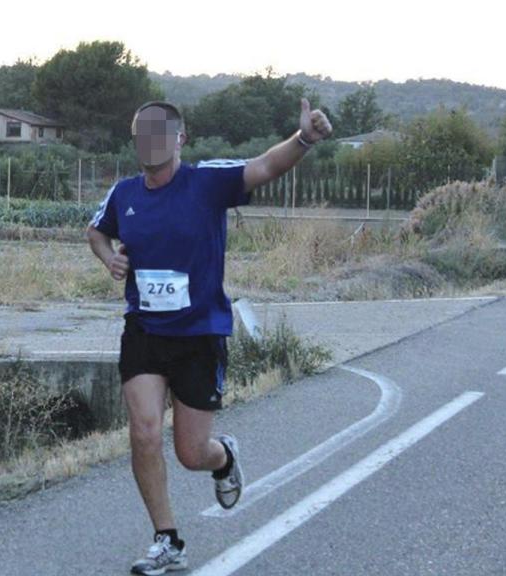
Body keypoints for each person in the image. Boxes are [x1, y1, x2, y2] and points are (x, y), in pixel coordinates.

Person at [87, 99, 333, 574]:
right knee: (143, 432)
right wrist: (108, 258)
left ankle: (223, 459)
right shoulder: (124, 194)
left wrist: (303, 139)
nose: (150, 141)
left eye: (160, 133)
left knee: (191, 452)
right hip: (145, 331)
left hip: (200, 335)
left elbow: (263, 166)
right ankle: (167, 541)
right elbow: (96, 233)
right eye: (141, 133)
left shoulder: (207, 182)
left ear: (179, 139)